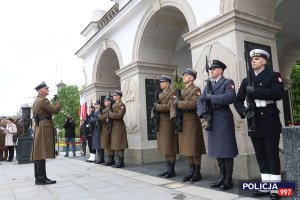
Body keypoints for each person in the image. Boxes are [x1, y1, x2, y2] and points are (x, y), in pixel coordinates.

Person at [234, 49, 284, 200]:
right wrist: (244, 111)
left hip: (269, 120)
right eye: (252, 59)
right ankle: (266, 186)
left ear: (264, 61)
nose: (253, 61)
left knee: (272, 155)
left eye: (257, 58)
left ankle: (276, 189)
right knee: (261, 156)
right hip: (254, 121)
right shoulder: (246, 80)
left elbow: (278, 94)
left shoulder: (273, 76)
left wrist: (255, 91)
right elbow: (237, 101)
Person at [197, 60, 238, 190]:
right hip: (211, 118)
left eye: (214, 68)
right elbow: (200, 100)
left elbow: (230, 98)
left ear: (220, 70)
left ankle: (228, 179)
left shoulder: (227, 82)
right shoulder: (208, 85)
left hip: (223, 118)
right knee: (218, 151)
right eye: (211, 69)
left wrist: (212, 98)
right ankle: (221, 177)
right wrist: (203, 113)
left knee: (226, 150)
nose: (211, 70)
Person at [171, 68, 206, 182]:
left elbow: (193, 104)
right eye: (184, 75)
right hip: (183, 122)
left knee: (194, 148)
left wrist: (179, 103)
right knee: (187, 149)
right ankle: (191, 171)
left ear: (191, 77)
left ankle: (197, 172)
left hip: (191, 121)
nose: (184, 77)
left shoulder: (196, 89)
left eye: (186, 75)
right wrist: (174, 116)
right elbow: (173, 105)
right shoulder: (180, 91)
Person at [31, 81, 61, 185]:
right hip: (44, 126)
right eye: (46, 88)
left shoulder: (37, 100)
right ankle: (41, 178)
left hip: (40, 126)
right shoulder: (43, 100)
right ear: (41, 90)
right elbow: (54, 110)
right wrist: (58, 103)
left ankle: (40, 177)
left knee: (39, 153)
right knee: (41, 152)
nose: (48, 90)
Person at [154, 75, 179, 178]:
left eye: (163, 82)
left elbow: (169, 107)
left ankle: (171, 170)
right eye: (160, 82)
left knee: (170, 146)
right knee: (164, 146)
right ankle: (167, 168)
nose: (161, 84)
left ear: (168, 83)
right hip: (161, 122)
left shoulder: (172, 93)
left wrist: (157, 106)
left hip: (168, 123)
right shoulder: (160, 94)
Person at [108, 90, 128, 168]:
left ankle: (120, 162)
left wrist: (110, 114)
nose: (113, 97)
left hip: (119, 127)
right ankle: (118, 161)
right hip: (114, 126)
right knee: (116, 145)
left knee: (119, 145)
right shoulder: (113, 105)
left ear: (119, 96)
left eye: (115, 95)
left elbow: (120, 116)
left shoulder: (121, 105)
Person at [98, 96, 115, 166]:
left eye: (105, 101)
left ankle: (110, 160)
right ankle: (108, 159)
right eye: (104, 101)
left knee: (108, 145)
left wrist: (99, 116)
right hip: (104, 128)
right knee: (106, 145)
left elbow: (105, 118)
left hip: (107, 128)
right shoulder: (105, 109)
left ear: (109, 102)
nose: (104, 102)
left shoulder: (109, 108)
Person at [92, 100, 105, 164]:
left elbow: (100, 119)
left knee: (98, 144)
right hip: (95, 128)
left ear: (99, 105)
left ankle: (100, 159)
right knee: (97, 144)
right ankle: (99, 158)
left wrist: (93, 120)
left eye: (96, 104)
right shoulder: (95, 111)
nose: (94, 105)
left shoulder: (100, 111)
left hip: (98, 128)